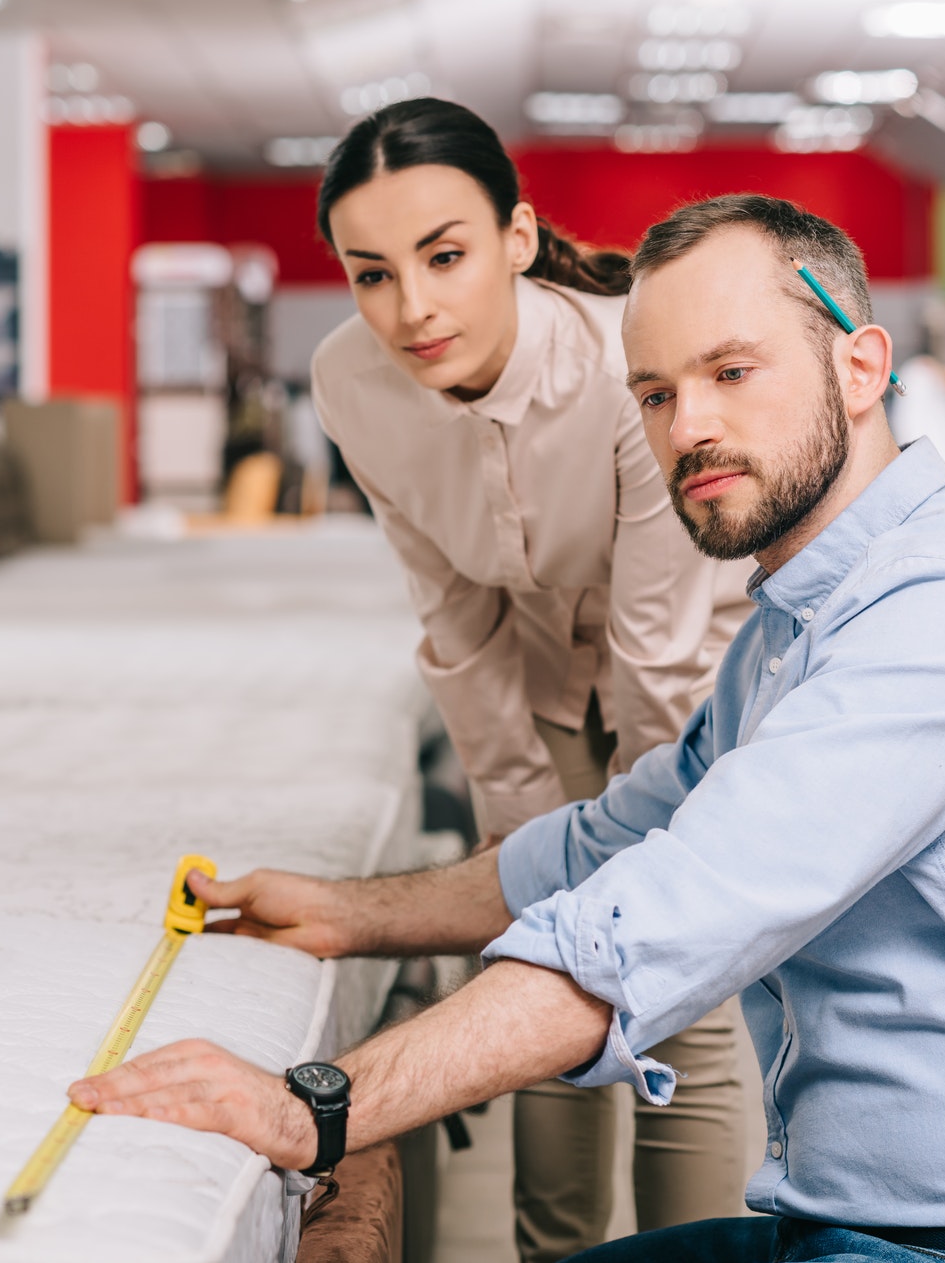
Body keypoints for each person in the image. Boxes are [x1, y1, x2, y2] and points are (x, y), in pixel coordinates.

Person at [71, 194, 945, 1263]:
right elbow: (598, 846)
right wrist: (346, 916)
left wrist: (315, 1109)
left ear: (860, 367)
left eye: (729, 373)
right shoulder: (791, 632)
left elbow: (649, 924)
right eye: (652, 394)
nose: (686, 427)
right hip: (850, 1225)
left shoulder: (942, 615)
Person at [305, 97, 753, 1261]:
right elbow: (451, 618)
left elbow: (659, 649)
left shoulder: (622, 363)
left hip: (692, 677)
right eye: (371, 275)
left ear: (515, 237)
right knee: (539, 971)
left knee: (681, 995)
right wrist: (521, 852)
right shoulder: (349, 383)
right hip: (543, 678)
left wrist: (650, 853)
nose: (411, 309)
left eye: (444, 256)